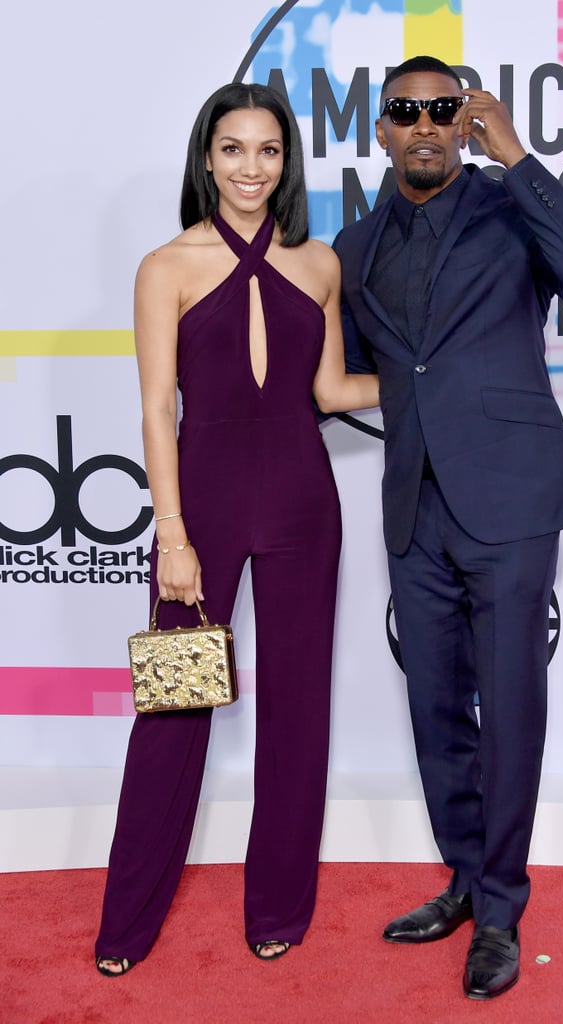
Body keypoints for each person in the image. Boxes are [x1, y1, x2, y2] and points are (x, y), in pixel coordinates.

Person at [333, 55, 563, 1000]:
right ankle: (462, 876)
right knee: (432, 713)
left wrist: (519, 156)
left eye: (440, 108)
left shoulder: (511, 207)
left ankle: (501, 906)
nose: (422, 123)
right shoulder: (355, 243)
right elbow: (367, 373)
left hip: (508, 498)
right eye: (403, 110)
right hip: (413, 503)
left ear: (466, 119)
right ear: (378, 129)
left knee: (509, 712)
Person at [94, 82, 379, 977]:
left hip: (302, 499)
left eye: (267, 150)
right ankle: (127, 922)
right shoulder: (165, 266)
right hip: (202, 511)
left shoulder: (320, 263)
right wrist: (170, 534)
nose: (249, 167)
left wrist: (435, 379)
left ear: (287, 161)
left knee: (298, 714)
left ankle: (279, 908)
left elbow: (332, 394)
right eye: (232, 149)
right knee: (174, 708)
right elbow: (153, 412)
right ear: (206, 158)